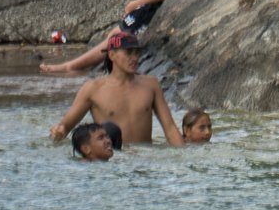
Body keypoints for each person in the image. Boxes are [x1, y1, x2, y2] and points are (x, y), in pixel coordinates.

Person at [49, 30, 182, 147]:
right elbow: (65, 126)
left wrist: (183, 157)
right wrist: (59, 130)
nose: (134, 58)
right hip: (113, 159)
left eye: (137, 53)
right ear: (112, 55)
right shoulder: (93, 89)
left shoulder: (151, 85)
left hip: (146, 158)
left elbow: (170, 129)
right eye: (128, 53)